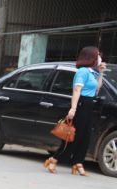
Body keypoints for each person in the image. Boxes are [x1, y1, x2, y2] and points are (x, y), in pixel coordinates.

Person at [45, 46, 107, 176]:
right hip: (81, 104)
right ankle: (54, 159)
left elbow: (97, 89)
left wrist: (101, 72)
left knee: (86, 137)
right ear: (92, 58)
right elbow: (77, 90)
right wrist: (73, 109)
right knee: (73, 136)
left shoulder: (92, 72)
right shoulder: (82, 72)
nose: (100, 58)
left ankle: (78, 162)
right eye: (98, 56)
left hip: (90, 105)